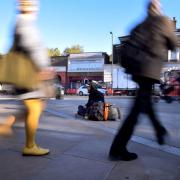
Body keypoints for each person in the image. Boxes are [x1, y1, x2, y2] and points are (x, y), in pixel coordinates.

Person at [109, 0, 177, 161]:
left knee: (144, 102)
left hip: (137, 71)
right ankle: (117, 148)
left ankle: (158, 129)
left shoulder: (138, 26)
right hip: (150, 70)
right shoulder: (164, 21)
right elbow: (174, 44)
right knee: (135, 112)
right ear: (158, 8)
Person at [0, 0, 54, 156]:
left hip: (26, 73)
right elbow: (33, 46)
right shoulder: (25, 23)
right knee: (35, 108)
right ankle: (29, 146)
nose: (36, 7)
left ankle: (6, 125)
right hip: (29, 74)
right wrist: (43, 67)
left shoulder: (20, 22)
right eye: (34, 4)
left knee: (32, 108)